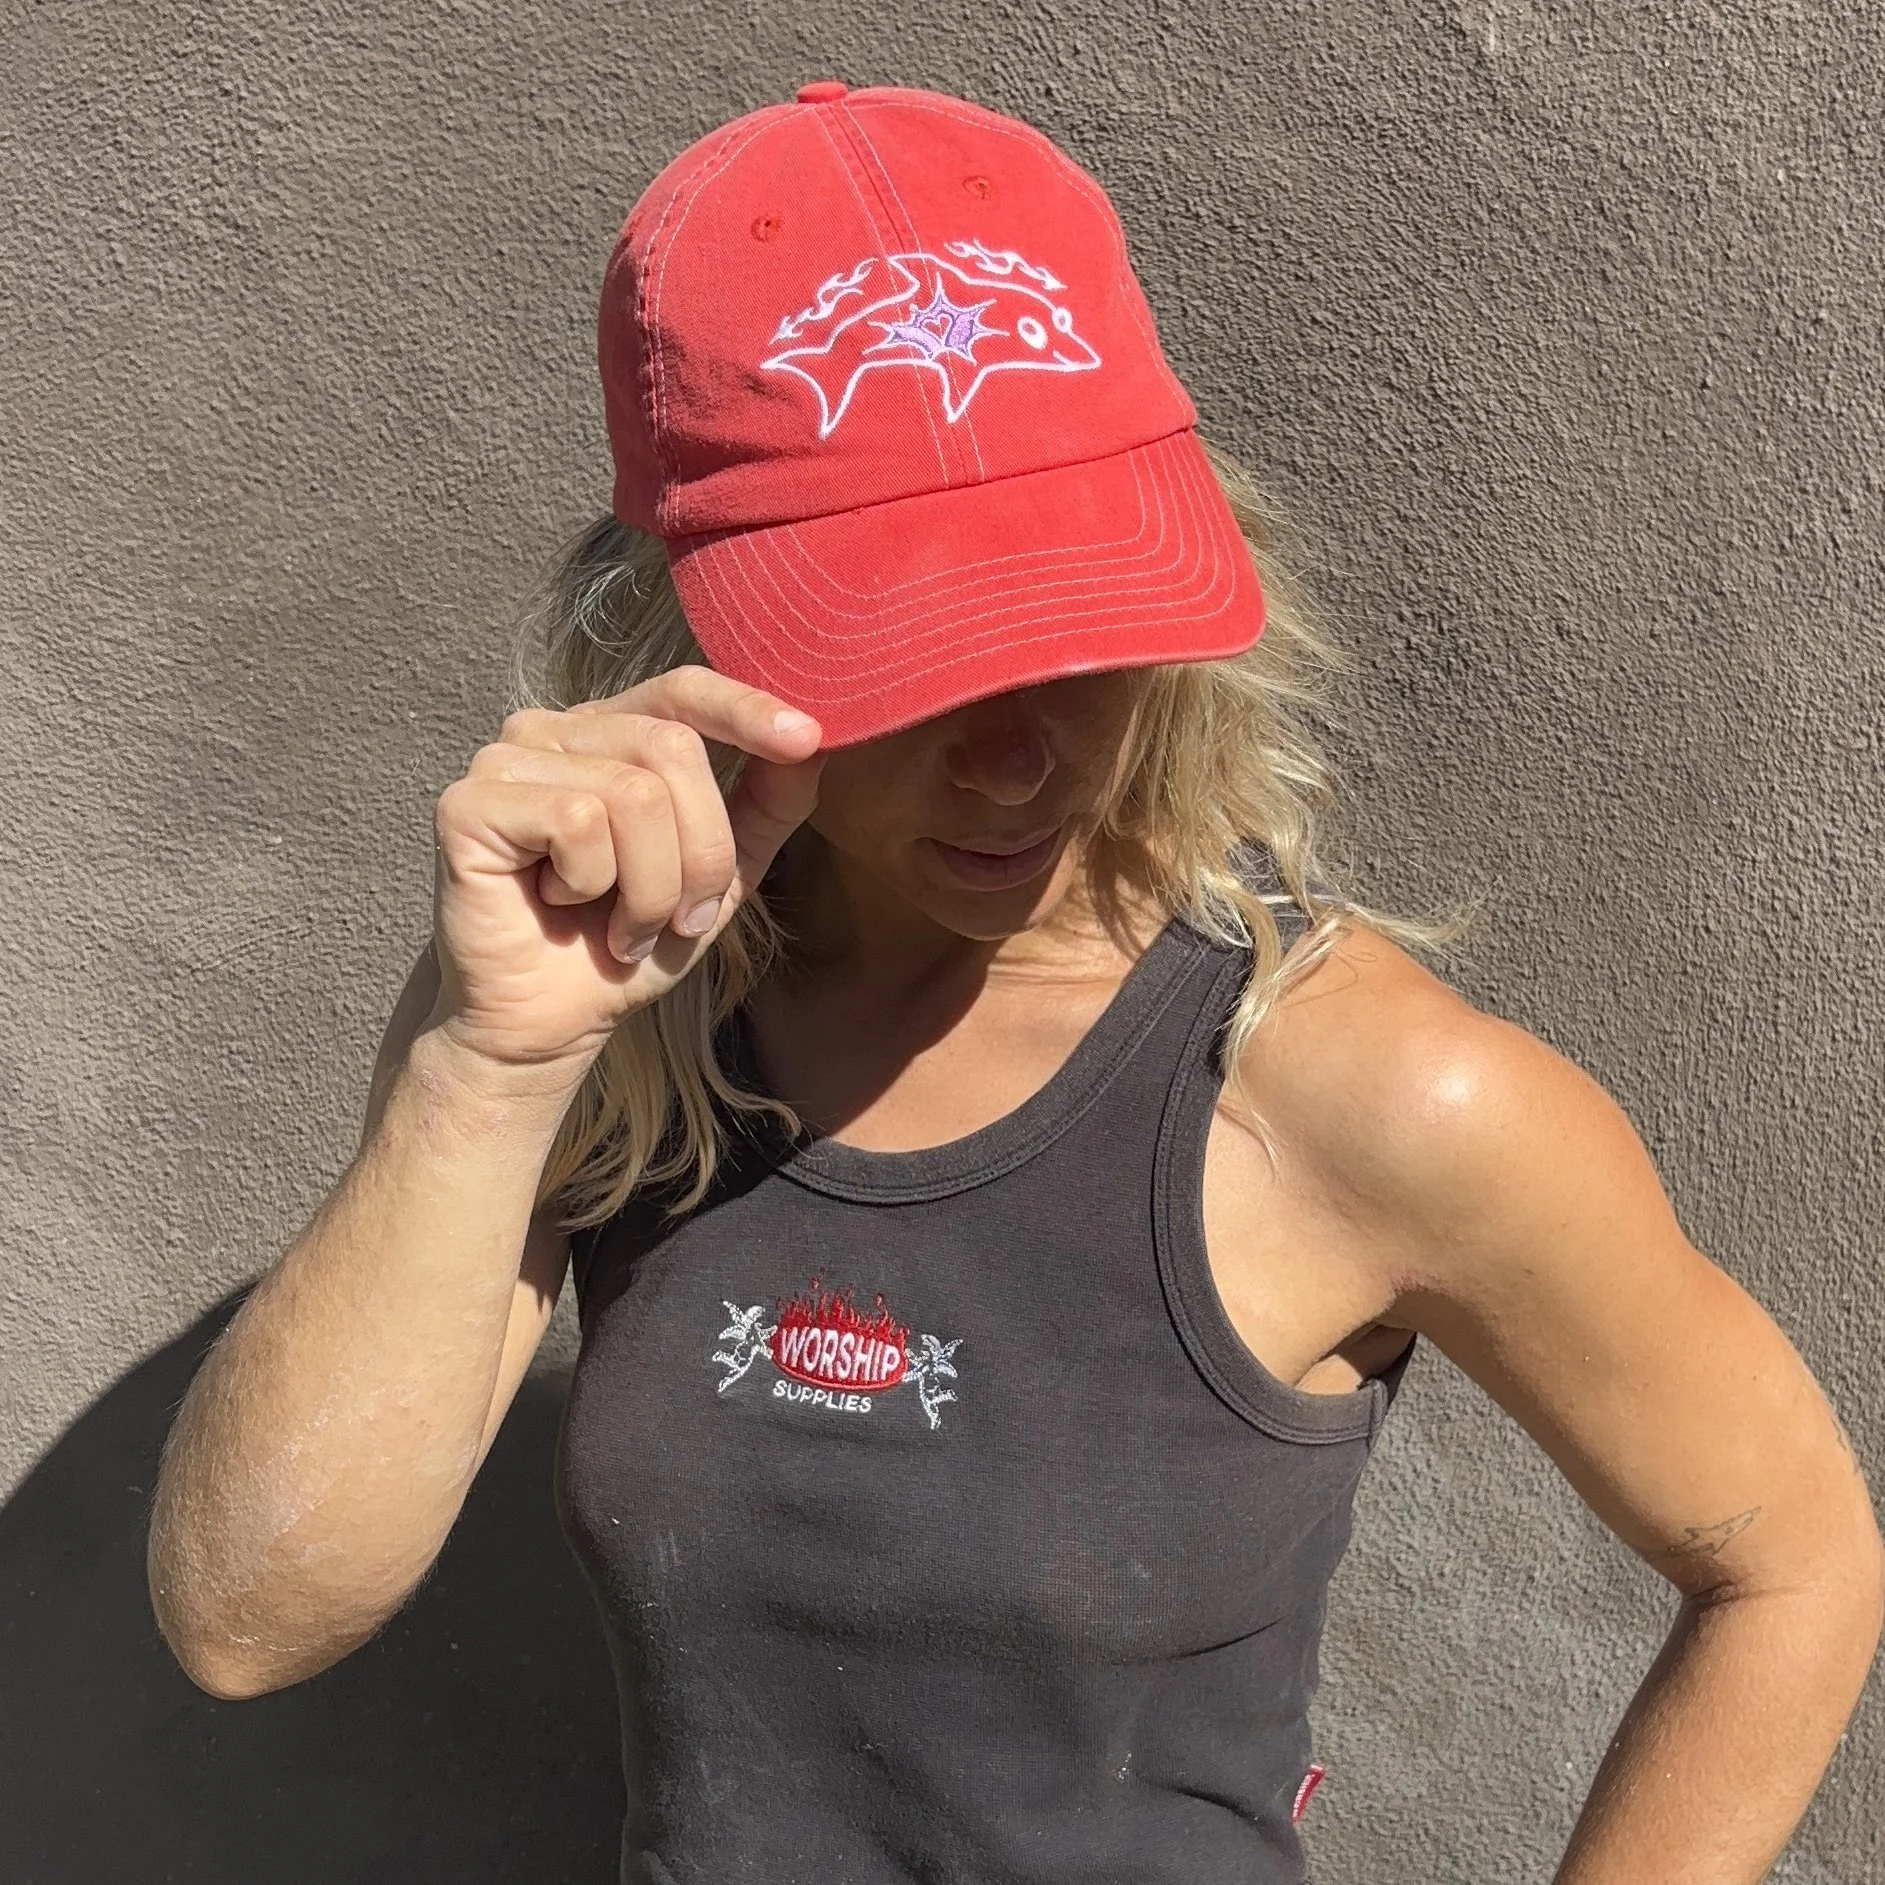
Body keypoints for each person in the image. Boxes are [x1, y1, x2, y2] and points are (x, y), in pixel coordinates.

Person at [147, 78, 1881, 1885]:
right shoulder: (608, 1010)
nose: (1018, 760)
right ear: (684, 632)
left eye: (1077, 623)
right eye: (901, 657)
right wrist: (481, 1071)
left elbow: (1794, 1562)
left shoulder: (1359, 1092)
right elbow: (243, 1618)